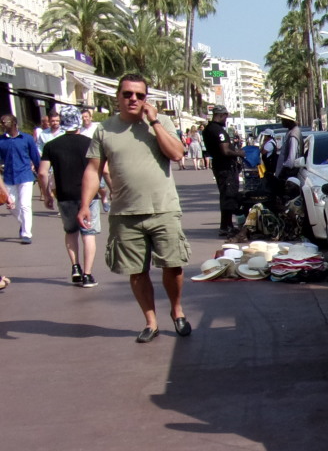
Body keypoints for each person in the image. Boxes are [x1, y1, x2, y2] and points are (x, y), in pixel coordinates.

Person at [80, 74, 192, 343]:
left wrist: (153, 122)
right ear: (118, 97)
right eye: (128, 94)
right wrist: (85, 204)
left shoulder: (160, 122)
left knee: (173, 266)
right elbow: (93, 169)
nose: (133, 99)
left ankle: (177, 311)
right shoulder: (104, 129)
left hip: (163, 209)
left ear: (146, 99)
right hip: (125, 212)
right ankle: (150, 322)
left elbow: (177, 154)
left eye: (139, 95)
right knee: (136, 270)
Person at [39, 109, 99, 287]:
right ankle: (87, 275)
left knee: (70, 232)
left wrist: (47, 194)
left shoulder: (52, 145)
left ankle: (75, 267)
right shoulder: (90, 143)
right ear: (79, 121)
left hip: (64, 195)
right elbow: (102, 169)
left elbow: (42, 172)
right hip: (89, 196)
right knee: (88, 234)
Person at [201, 106, 245, 237]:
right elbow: (225, 151)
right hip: (226, 167)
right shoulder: (218, 131)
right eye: (226, 116)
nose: (226, 119)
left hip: (219, 165)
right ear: (222, 115)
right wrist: (239, 153)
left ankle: (227, 225)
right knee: (229, 195)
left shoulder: (208, 129)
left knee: (225, 195)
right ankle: (226, 226)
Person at [0, 112, 42, 243]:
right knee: (12, 205)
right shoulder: (1, 140)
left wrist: (40, 173)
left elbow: (35, 157)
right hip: (8, 177)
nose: (2, 124)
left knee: (25, 205)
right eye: (1, 122)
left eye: (5, 122)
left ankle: (26, 234)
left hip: (25, 176)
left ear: (14, 123)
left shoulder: (27, 138)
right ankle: (24, 224)